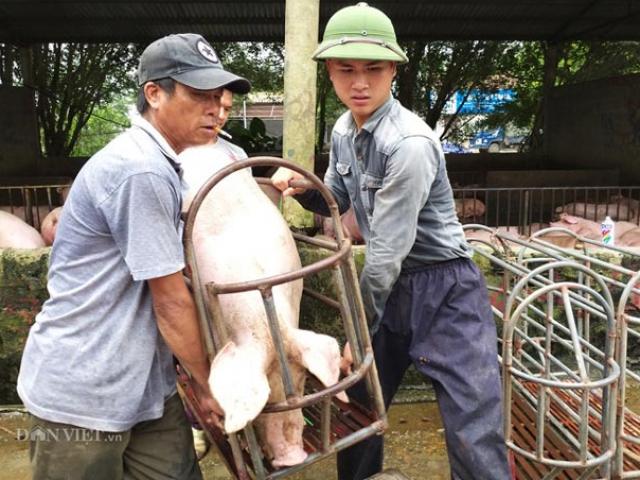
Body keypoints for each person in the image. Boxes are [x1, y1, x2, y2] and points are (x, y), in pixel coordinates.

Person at [272, 3, 511, 479]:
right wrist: (305, 189)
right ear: (329, 73)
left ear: (393, 71)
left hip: (445, 290)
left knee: (471, 417)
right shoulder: (343, 129)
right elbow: (337, 200)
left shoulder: (410, 145)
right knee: (358, 397)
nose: (359, 83)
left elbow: (382, 257)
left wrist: (356, 334)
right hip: (391, 286)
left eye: (373, 69)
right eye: (346, 70)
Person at [17, 33, 250, 480]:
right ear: (154, 93)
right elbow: (170, 299)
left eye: (217, 96)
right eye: (199, 94)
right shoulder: (139, 169)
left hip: (146, 387)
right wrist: (211, 386)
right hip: (81, 397)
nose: (214, 107)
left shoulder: (165, 163)